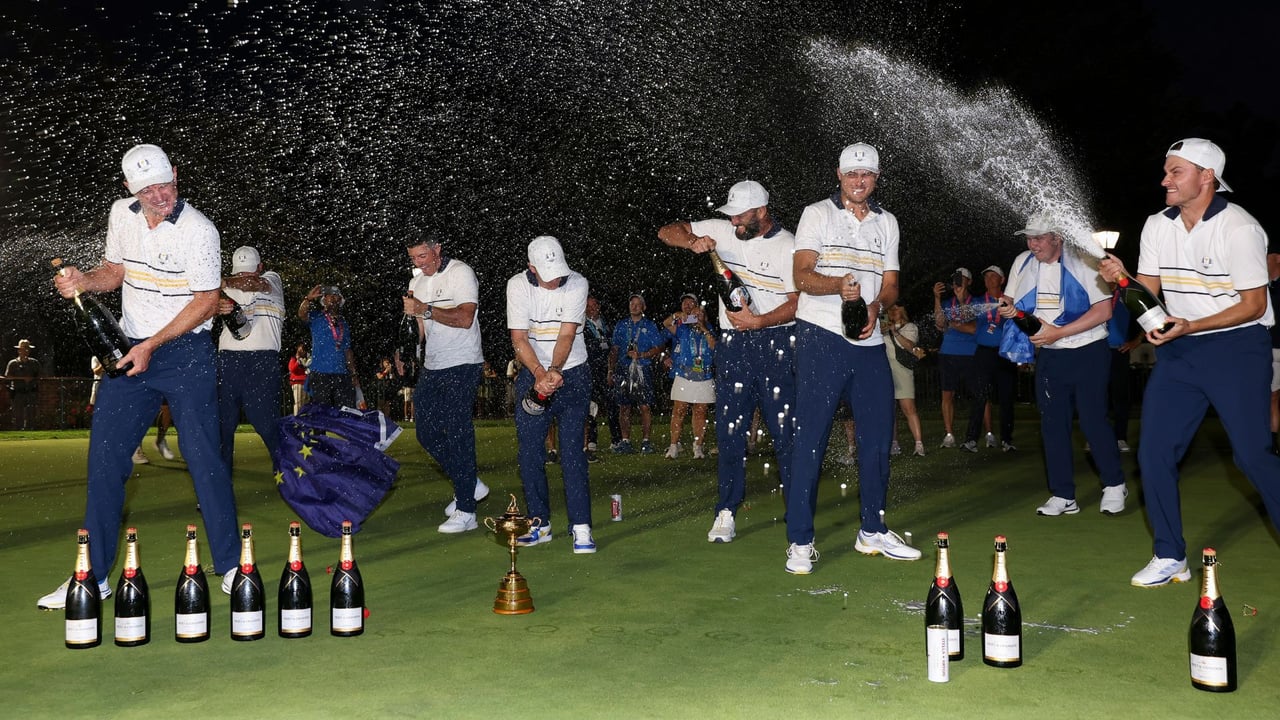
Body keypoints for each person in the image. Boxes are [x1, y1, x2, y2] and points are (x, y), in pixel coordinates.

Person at [40, 143, 240, 609]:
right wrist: (84, 281)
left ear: (175, 172)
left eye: (165, 184)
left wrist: (152, 345)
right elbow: (114, 271)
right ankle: (93, 577)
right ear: (130, 189)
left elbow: (207, 301)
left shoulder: (199, 231)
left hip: (185, 351)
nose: (160, 196)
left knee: (203, 456)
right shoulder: (121, 215)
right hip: (131, 351)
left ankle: (233, 566)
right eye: (148, 189)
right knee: (105, 461)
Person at [1098, 138, 1280, 587]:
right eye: (1166, 171)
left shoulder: (1239, 227)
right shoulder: (1157, 224)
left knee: (1252, 456)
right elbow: (1148, 291)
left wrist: (1190, 326)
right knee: (1153, 451)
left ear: (1207, 177)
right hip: (1180, 354)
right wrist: (1121, 281)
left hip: (1237, 348)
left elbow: (1255, 305)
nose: (1165, 180)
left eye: (1176, 172)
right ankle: (1169, 555)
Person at [785, 142, 920, 574]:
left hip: (868, 342)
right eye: (851, 175)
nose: (859, 182)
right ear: (839, 175)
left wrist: (877, 306)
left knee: (878, 437)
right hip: (821, 335)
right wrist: (837, 287)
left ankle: (872, 529)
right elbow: (802, 275)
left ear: (876, 178)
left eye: (867, 175)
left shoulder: (888, 222)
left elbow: (892, 283)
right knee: (811, 438)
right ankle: (800, 541)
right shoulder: (816, 214)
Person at [658, 179, 798, 544]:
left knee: (784, 430)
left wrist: (759, 321)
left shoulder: (789, 246)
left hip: (776, 341)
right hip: (734, 344)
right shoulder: (724, 229)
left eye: (740, 215)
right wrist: (691, 241)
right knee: (730, 430)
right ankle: (726, 510)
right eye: (731, 215)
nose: (733, 222)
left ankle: (797, 508)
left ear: (761, 212)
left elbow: (798, 302)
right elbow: (666, 231)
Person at [999, 211, 1126, 519]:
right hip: (1051, 355)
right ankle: (1063, 494)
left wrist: (1058, 332)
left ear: (1057, 238)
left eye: (1039, 238)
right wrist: (1008, 310)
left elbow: (1103, 311)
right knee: (1052, 424)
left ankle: (1114, 485)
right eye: (1029, 238)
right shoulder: (1022, 262)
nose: (1033, 245)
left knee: (1093, 420)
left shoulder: (1082, 259)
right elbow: (1013, 303)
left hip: (1089, 349)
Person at [507, 236, 596, 553]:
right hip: (533, 374)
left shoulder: (577, 284)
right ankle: (539, 523)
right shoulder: (517, 286)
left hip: (572, 372)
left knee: (572, 452)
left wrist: (555, 371)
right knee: (530, 452)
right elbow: (519, 339)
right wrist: (540, 375)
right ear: (531, 268)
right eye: (547, 273)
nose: (556, 279)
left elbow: (567, 333)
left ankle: (581, 527)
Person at [403, 237, 490, 534]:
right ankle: (469, 483)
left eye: (424, 255)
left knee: (457, 430)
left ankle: (467, 510)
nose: (420, 263)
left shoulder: (460, 273)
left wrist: (425, 309)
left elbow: (465, 318)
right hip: (433, 365)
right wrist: (408, 345)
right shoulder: (419, 282)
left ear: (438, 249)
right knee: (425, 432)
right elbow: (422, 332)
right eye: (414, 258)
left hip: (463, 362)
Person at [661, 293, 717, 459]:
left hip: (704, 376)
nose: (697, 316)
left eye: (700, 313)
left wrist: (705, 329)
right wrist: (676, 315)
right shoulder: (683, 328)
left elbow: (715, 347)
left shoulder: (709, 329)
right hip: (684, 375)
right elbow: (666, 324)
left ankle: (698, 446)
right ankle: (673, 446)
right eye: (694, 314)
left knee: (701, 412)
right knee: (679, 410)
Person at [609, 293, 665, 454]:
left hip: (642, 368)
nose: (634, 306)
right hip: (623, 368)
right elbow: (614, 349)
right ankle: (625, 441)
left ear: (644, 307)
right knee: (624, 406)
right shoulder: (621, 325)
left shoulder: (650, 325)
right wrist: (610, 370)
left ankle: (646, 441)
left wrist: (641, 355)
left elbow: (659, 347)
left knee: (644, 406)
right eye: (632, 303)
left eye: (638, 304)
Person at [933, 267, 982, 450]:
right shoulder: (947, 303)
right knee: (947, 395)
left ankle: (979, 434)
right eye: (955, 279)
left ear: (969, 281)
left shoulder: (976, 301)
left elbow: (971, 323)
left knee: (978, 395)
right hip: (948, 353)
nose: (957, 283)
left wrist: (961, 302)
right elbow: (940, 323)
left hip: (971, 353)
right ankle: (949, 434)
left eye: (962, 279)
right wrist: (937, 298)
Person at [972, 265, 1017, 451]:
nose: (989, 280)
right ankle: (971, 439)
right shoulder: (978, 302)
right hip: (984, 352)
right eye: (986, 277)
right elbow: (966, 320)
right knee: (980, 396)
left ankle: (1007, 440)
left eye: (994, 276)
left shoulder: (1011, 301)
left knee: (1007, 398)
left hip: (1006, 353)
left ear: (1002, 280)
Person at [298, 284, 361, 409]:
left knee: (346, 414)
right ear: (323, 300)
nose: (333, 298)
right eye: (329, 296)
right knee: (320, 415)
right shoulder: (316, 317)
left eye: (336, 296)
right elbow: (302, 314)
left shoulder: (344, 323)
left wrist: (353, 374)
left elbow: (348, 351)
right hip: (320, 374)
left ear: (341, 300)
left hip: (341, 374)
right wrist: (308, 299)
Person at [881, 303, 926, 456]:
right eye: (890, 309)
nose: (892, 311)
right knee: (889, 410)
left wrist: (896, 332)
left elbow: (910, 346)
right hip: (885, 371)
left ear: (903, 311)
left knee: (909, 408)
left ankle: (919, 444)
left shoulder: (910, 327)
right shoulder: (882, 328)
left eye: (896, 309)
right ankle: (894, 444)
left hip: (902, 371)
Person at [583, 295, 621, 461]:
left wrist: (611, 370)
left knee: (612, 404)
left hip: (606, 369)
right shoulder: (581, 325)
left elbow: (614, 348)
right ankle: (591, 440)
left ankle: (616, 439)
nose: (592, 309)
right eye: (588, 306)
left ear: (599, 306)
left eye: (594, 305)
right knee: (591, 406)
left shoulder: (607, 324)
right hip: (589, 370)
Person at [5, 339, 40, 430]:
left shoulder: (34, 363)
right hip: (18, 392)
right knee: (17, 414)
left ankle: (30, 430)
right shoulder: (13, 363)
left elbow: (40, 377)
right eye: (24, 349)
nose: (26, 351)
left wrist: (33, 380)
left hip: (31, 392)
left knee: (31, 414)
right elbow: (8, 377)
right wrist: (21, 379)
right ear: (19, 350)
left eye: (28, 349)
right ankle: (18, 431)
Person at [288, 343, 310, 414]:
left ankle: (304, 421)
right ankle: (297, 421)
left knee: (306, 403)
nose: (302, 352)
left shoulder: (308, 360)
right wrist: (298, 362)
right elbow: (292, 369)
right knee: (298, 403)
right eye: (300, 350)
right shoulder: (294, 359)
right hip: (297, 383)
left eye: (303, 350)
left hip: (306, 383)